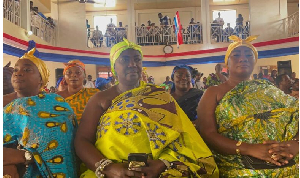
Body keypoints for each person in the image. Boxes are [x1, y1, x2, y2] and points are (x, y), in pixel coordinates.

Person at [75, 38, 219, 178]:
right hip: (110, 171)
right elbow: (82, 140)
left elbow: (182, 137)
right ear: (114, 66)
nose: (132, 64)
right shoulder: (100, 100)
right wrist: (109, 168)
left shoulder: (161, 96)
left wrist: (162, 164)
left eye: (137, 59)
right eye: (124, 60)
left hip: (156, 170)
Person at [196, 35, 299, 177]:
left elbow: (295, 113)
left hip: (287, 164)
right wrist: (248, 149)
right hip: (239, 168)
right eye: (236, 54)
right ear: (227, 63)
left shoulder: (269, 88)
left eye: (249, 55)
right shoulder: (213, 92)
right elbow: (208, 133)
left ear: (254, 61)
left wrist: (295, 144)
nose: (243, 58)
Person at [3, 48, 77, 178]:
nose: (18, 73)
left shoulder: (57, 103)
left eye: (27, 70)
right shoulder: (7, 105)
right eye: (16, 70)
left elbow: (66, 140)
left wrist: (27, 155)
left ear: (41, 79)